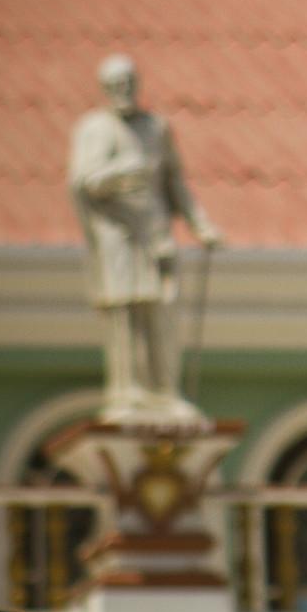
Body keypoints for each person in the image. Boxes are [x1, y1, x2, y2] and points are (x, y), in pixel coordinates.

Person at [67, 54, 221, 422]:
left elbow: (174, 181)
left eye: (128, 83)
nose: (123, 91)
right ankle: (127, 390)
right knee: (124, 308)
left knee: (159, 308)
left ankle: (163, 391)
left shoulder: (156, 128)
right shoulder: (94, 129)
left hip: (154, 231)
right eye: (115, 85)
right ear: (105, 89)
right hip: (117, 233)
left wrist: (200, 225)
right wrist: (122, 171)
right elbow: (83, 181)